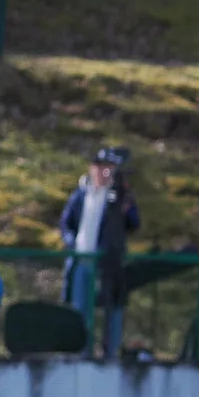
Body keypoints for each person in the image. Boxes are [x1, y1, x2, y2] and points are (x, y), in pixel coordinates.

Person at [58, 147, 140, 359]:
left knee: (111, 309)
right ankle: (80, 352)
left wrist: (126, 202)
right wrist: (71, 243)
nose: (105, 173)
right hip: (82, 261)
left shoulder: (118, 197)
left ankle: (109, 353)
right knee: (80, 309)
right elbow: (66, 223)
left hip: (107, 264)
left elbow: (134, 223)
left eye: (109, 169)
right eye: (101, 168)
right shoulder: (81, 194)